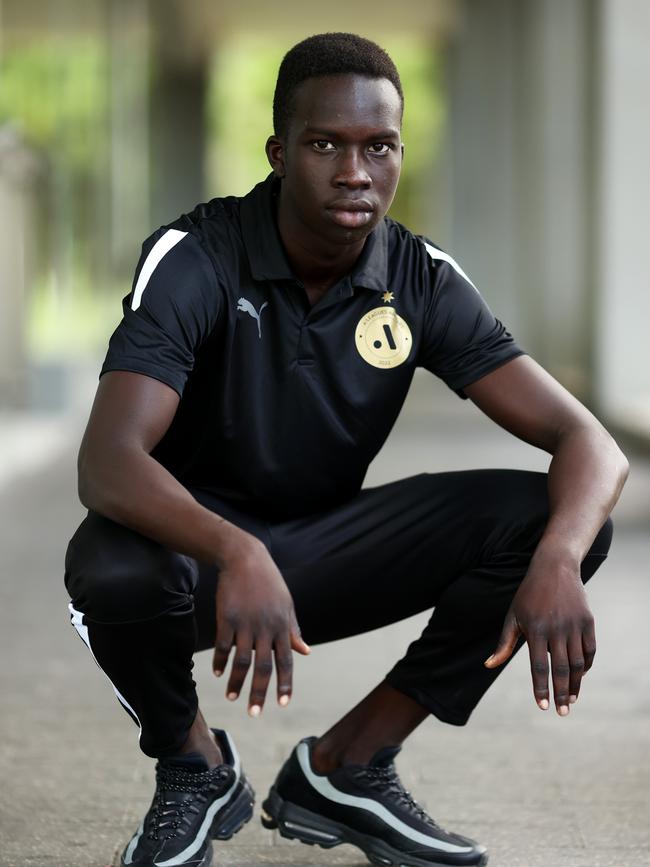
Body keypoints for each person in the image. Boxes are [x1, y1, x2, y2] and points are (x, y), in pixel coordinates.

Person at [64, 32, 627, 867]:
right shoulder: (199, 258)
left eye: (380, 146)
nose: (356, 171)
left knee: (559, 520)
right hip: (194, 562)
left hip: (324, 550)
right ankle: (193, 769)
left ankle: (349, 765)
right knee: (108, 566)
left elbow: (590, 441)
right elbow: (107, 460)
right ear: (280, 152)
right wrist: (233, 545)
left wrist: (560, 558)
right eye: (326, 144)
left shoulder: (422, 277)